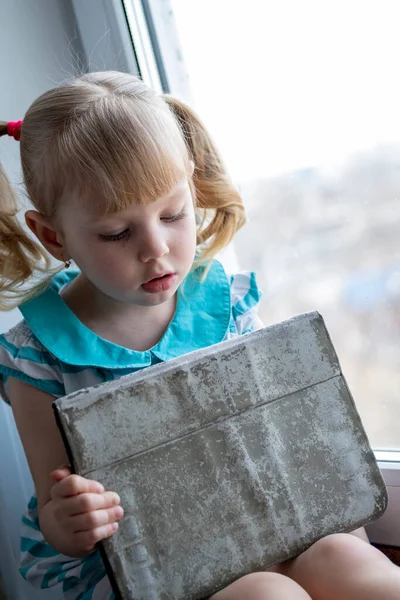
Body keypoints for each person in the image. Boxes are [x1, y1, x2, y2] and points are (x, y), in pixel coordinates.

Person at [0, 72, 398, 600]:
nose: (156, 249)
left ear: (192, 186)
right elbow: (56, 517)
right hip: (146, 573)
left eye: (173, 214)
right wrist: (70, 520)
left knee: (342, 556)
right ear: (55, 236)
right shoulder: (38, 357)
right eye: (118, 233)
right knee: (265, 595)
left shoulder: (227, 305)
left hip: (264, 526)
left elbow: (286, 441)